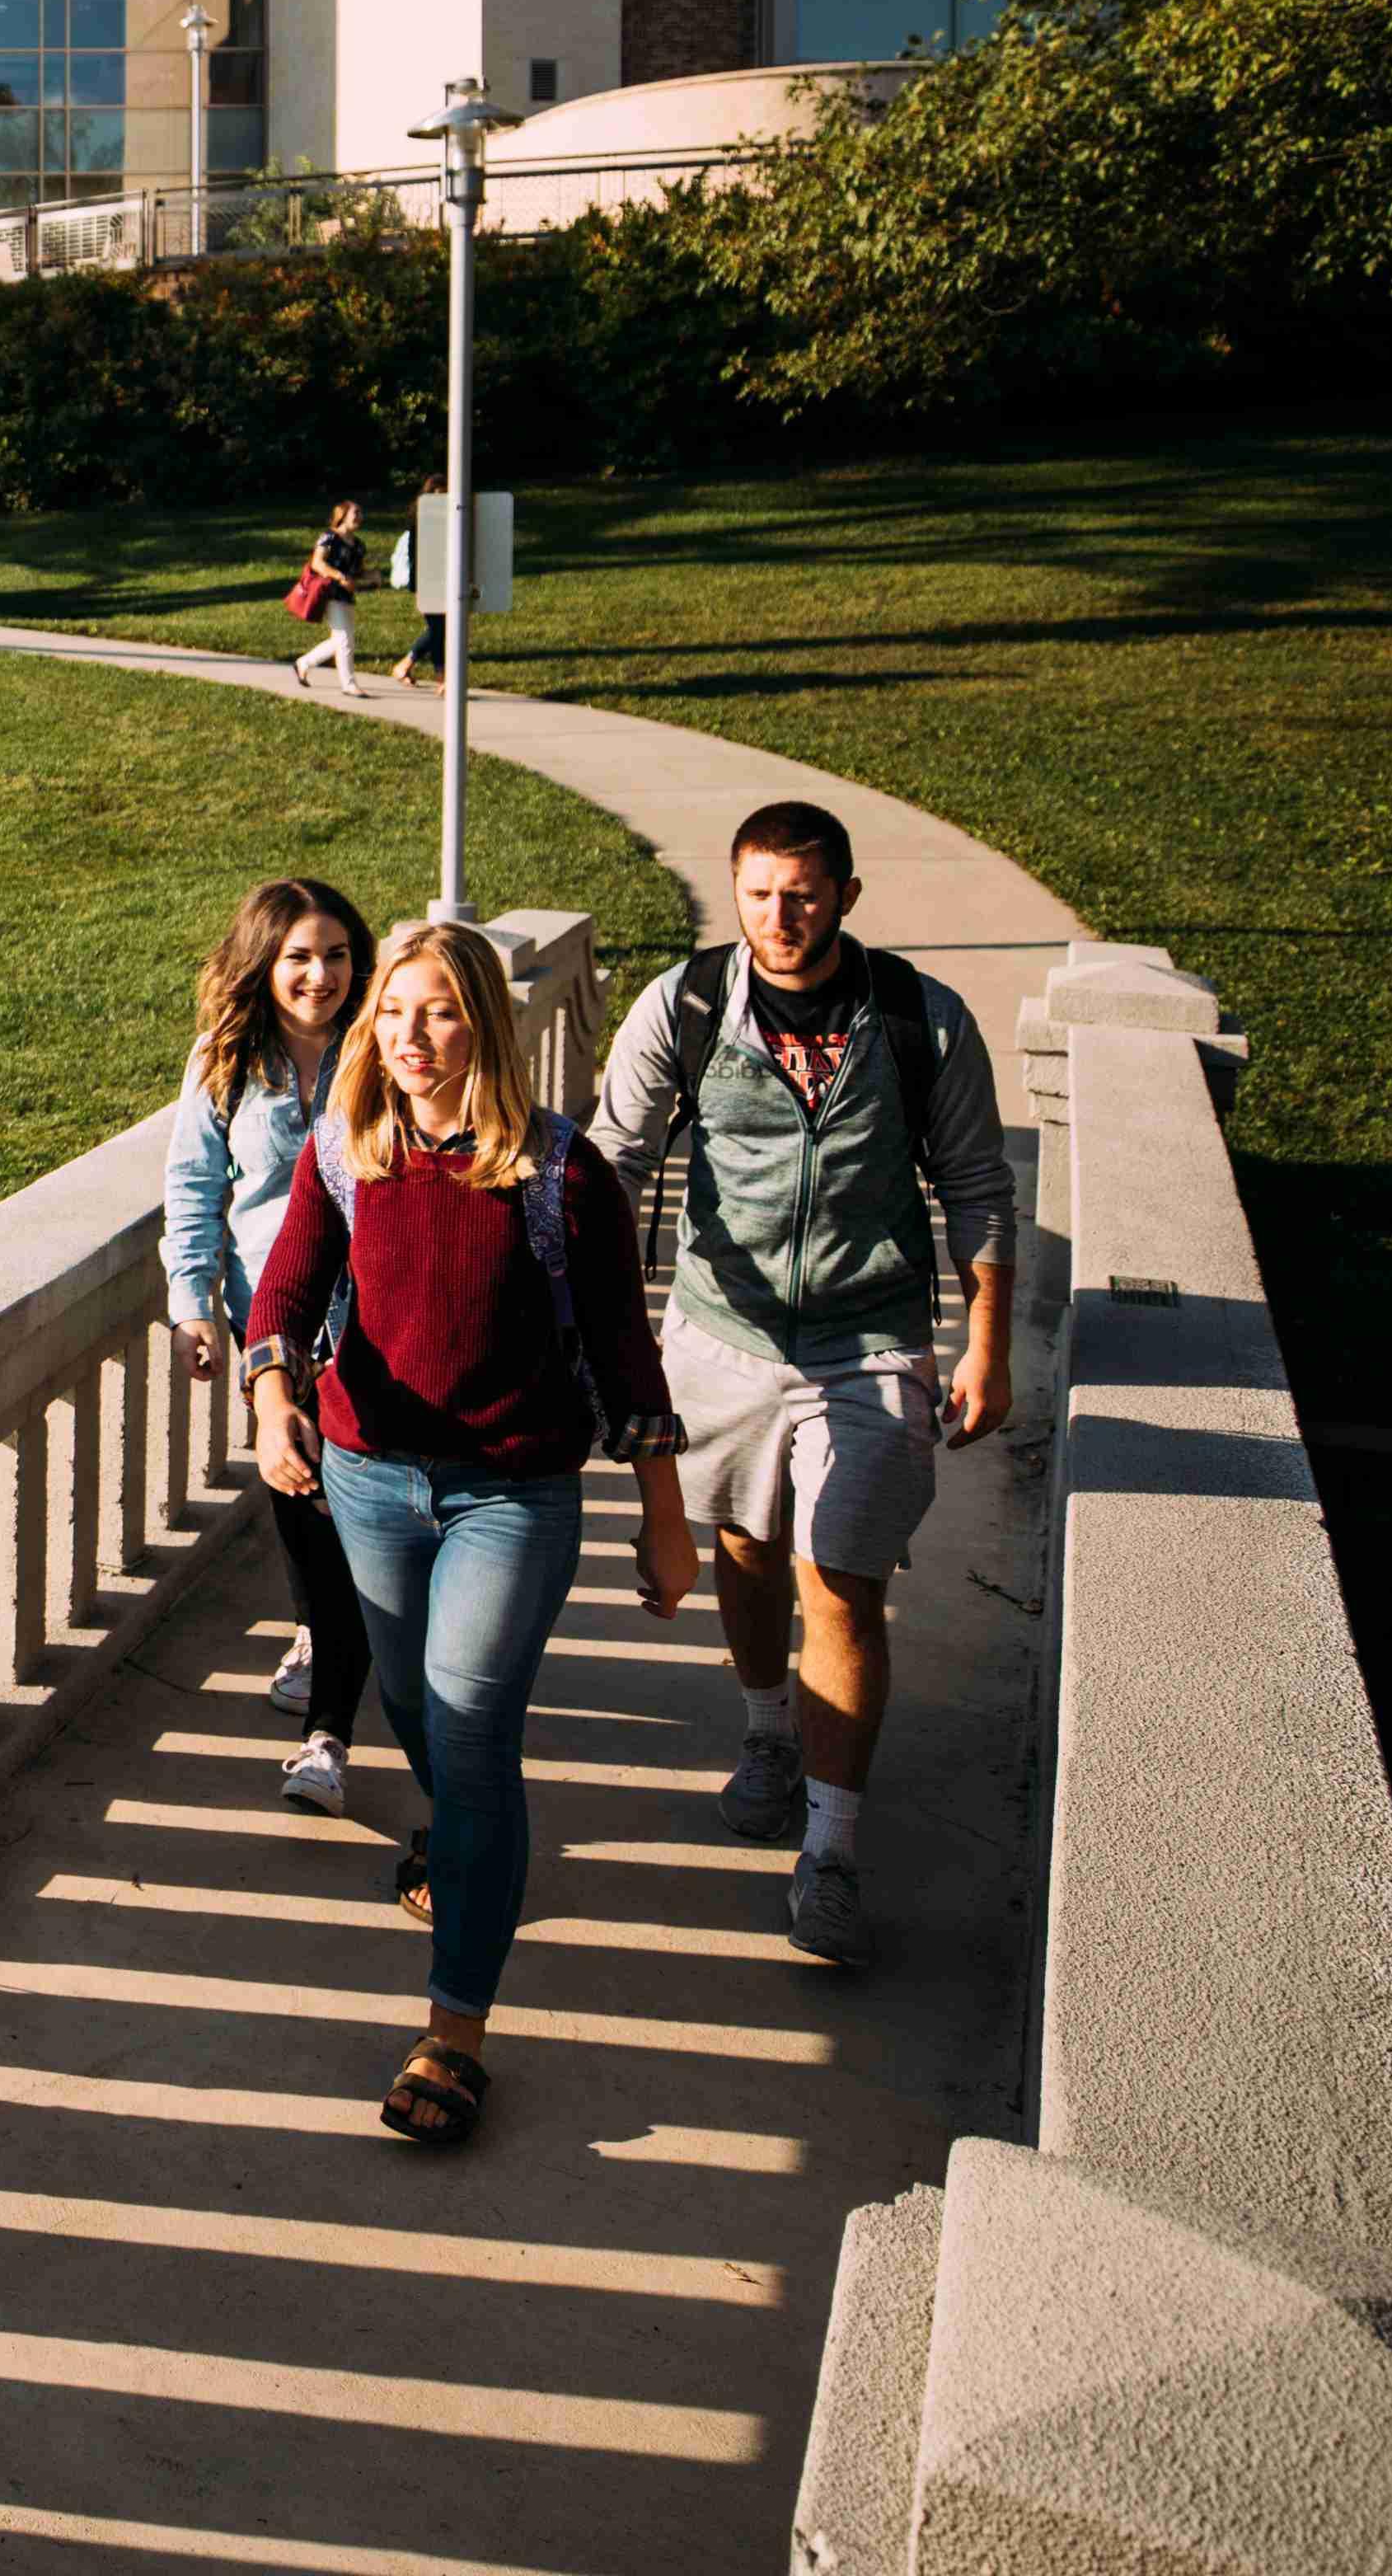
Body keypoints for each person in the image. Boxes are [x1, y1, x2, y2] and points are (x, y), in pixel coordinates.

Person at [245, 920, 694, 2149]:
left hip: (514, 1490)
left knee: (473, 1723)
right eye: (394, 1013)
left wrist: (664, 1518)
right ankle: (469, 1849)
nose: (411, 1037)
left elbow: (620, 1345)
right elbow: (285, 1287)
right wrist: (274, 1397)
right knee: (417, 1713)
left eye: (438, 1012)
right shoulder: (346, 1153)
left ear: (484, 1024)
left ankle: (455, 2029)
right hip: (370, 1481)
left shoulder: (559, 1173)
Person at [585, 799, 1020, 1973]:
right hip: (720, 1337)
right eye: (761, 892)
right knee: (745, 1550)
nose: (782, 917)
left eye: (806, 894)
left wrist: (987, 1341)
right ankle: (769, 1730)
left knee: (843, 1575)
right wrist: (605, 1327)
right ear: (736, 891)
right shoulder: (682, 1007)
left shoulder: (920, 1018)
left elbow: (978, 1181)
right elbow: (611, 1164)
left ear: (847, 897)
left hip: (869, 1340)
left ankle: (831, 1848)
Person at [163, 878, 377, 1811]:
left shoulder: (380, 1044)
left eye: (336, 955)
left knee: (343, 1510)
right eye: (298, 956)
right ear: (263, 961)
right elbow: (192, 1183)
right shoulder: (226, 1058)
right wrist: (193, 1301)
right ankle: (319, 1634)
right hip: (271, 1328)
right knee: (296, 1495)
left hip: (374, 1318)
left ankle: (329, 1725)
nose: (320, 975)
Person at [292, 497, 370, 695]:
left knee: (341, 640)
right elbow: (317, 563)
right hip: (328, 593)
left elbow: (359, 571)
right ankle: (349, 684)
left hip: (347, 595)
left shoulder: (359, 545)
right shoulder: (329, 537)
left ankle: (303, 663)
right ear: (342, 516)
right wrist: (340, 576)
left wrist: (372, 576)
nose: (360, 517)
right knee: (344, 639)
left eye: (361, 513)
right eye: (356, 513)